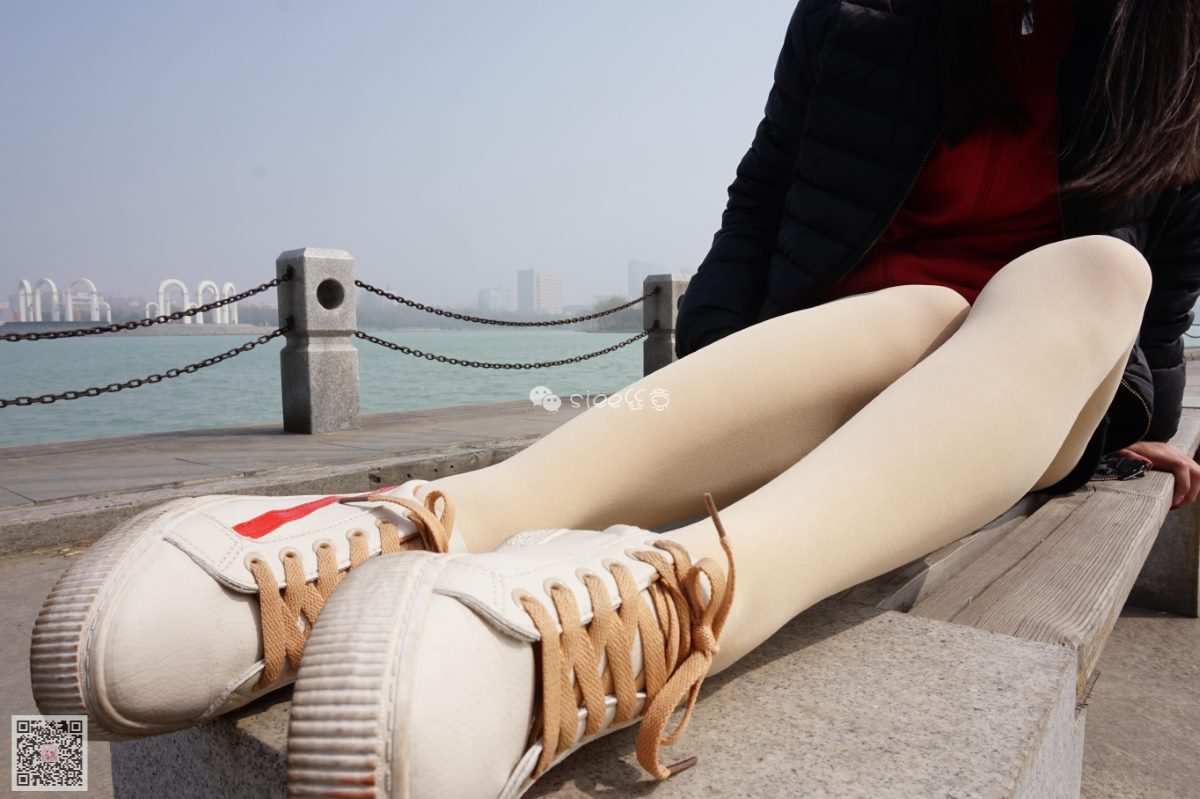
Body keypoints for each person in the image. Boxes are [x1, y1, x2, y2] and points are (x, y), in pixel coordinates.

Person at [30, 1, 1200, 797]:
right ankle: (414, 532)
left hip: (1020, 382)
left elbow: (1170, 272)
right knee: (921, 310)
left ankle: (676, 602)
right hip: (836, 350)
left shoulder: (1172, 38)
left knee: (1100, 269)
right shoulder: (863, 11)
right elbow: (761, 201)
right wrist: (703, 405)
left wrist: (1145, 419)